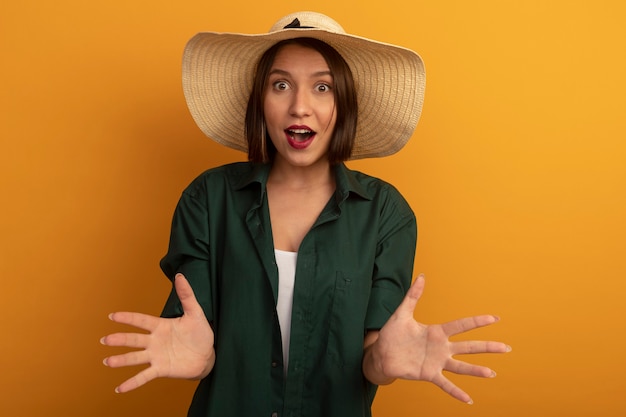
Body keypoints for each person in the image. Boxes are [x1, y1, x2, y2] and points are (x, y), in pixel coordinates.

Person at [101, 11, 510, 417]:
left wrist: (383, 362)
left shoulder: (386, 212)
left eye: (322, 88)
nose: (300, 107)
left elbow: (373, 355)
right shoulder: (209, 199)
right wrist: (201, 360)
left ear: (345, 103)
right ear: (260, 102)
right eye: (281, 85)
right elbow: (195, 339)